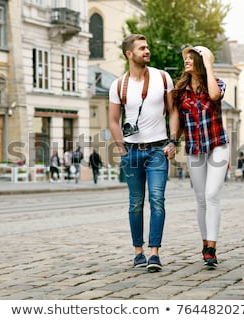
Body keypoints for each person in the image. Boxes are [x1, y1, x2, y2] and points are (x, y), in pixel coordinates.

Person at [108, 34, 179, 272]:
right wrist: (121, 149)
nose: (147, 51)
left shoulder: (162, 77)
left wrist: (173, 141)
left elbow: (173, 111)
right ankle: (138, 252)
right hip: (132, 152)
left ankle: (154, 253)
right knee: (135, 203)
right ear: (130, 54)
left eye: (148, 47)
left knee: (157, 200)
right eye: (142, 48)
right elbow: (113, 120)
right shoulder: (118, 85)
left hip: (158, 149)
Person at [172, 45, 229, 269]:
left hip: (218, 145)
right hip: (194, 149)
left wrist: (208, 64)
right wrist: (172, 141)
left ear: (201, 60)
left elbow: (214, 96)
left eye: (190, 58)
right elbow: (176, 120)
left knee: (212, 193)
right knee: (200, 198)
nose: (186, 61)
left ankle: (212, 248)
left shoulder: (216, 83)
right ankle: (205, 243)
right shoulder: (180, 91)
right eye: (185, 59)